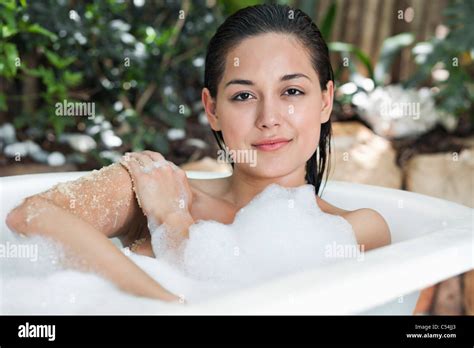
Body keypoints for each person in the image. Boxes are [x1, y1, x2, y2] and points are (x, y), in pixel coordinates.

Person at [5, 4, 391, 303]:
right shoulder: (155, 185)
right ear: (212, 109)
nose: (269, 118)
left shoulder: (358, 229)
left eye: (292, 91)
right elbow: (30, 215)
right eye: (243, 96)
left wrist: (173, 223)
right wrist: (168, 302)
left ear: (325, 101)